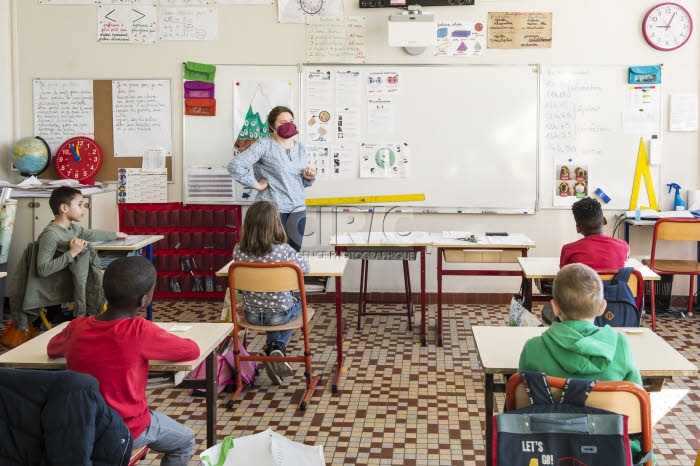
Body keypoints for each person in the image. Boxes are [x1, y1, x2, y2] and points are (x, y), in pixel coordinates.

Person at [47, 256, 200, 466]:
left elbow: (52, 348)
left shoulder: (77, 327)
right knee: (185, 440)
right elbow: (191, 350)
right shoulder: (140, 331)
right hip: (128, 428)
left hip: (81, 427)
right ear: (143, 300)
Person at [519, 263, 649, 464]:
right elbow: (638, 404)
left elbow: (521, 408)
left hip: (548, 452)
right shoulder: (620, 346)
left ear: (553, 307)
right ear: (602, 307)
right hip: (613, 453)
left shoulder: (533, 348)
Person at [231, 200, 310, 385]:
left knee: (273, 305)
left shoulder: (238, 251)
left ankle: (271, 349)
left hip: (250, 315)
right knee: (299, 304)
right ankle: (277, 347)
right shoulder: (284, 251)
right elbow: (305, 268)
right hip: (279, 316)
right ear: (276, 224)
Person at [228, 106, 316, 252]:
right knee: (271, 255)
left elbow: (297, 182)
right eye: (282, 122)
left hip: (298, 209)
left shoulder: (300, 148)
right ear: (271, 126)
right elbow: (235, 165)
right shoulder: (264, 144)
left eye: (291, 121)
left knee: (293, 255)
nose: (288, 125)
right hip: (272, 210)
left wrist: (308, 178)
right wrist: (256, 184)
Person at [37, 186, 128, 318]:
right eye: (80, 205)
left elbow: (90, 234)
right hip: (63, 284)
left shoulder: (72, 228)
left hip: (74, 279)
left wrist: (115, 234)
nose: (83, 210)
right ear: (64, 208)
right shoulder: (51, 234)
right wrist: (72, 253)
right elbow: (42, 270)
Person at [541, 196, 630, 324]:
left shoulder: (569, 249)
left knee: (548, 309)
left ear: (578, 228)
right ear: (604, 221)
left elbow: (563, 279)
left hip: (578, 311)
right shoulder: (623, 246)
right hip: (617, 308)